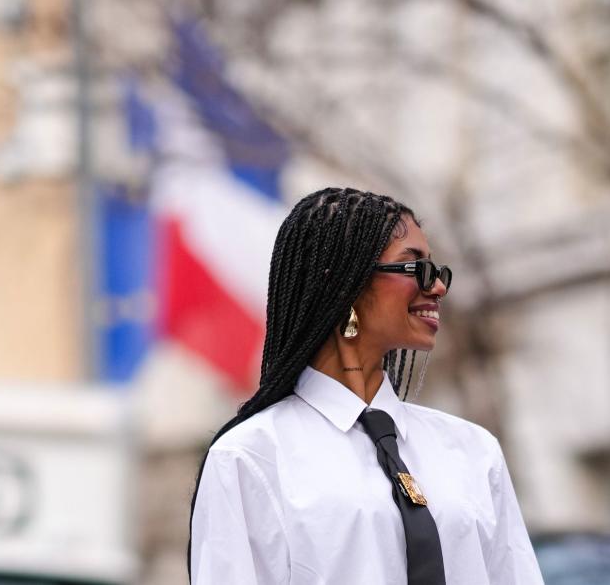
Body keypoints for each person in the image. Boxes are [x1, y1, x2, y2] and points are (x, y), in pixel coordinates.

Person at [189, 187, 544, 585]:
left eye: (439, 272)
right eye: (416, 268)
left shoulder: (475, 452)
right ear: (345, 281)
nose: (438, 287)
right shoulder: (250, 458)